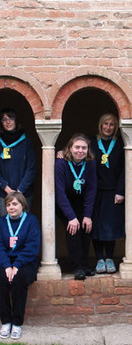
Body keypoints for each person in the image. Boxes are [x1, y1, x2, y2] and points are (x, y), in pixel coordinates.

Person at [0, 191, 40, 340]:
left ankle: (17, 323)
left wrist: (17, 265)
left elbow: (32, 246)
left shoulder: (31, 221)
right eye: (8, 204)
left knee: (19, 280)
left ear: (22, 205)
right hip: (6, 262)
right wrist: (7, 266)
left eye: (14, 204)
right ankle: (6, 322)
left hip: (25, 262)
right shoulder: (1, 222)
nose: (11, 207)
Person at [55, 133, 97, 280]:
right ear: (70, 148)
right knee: (73, 229)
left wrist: (87, 215)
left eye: (84, 148)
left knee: (86, 228)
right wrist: (71, 217)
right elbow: (59, 193)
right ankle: (77, 266)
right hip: (65, 202)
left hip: (81, 201)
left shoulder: (90, 163)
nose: (80, 151)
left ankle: (85, 265)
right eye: (77, 147)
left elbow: (91, 190)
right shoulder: (61, 163)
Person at [90, 114, 125, 274]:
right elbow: (77, 150)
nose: (108, 127)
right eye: (105, 124)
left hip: (113, 192)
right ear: (100, 125)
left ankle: (109, 258)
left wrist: (120, 191)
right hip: (95, 191)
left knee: (110, 226)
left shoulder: (119, 143)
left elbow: (125, 169)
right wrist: (62, 152)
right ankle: (99, 259)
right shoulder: (91, 142)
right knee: (95, 226)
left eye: (112, 124)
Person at [0, 109, 37, 216]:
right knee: (6, 224)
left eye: (11, 118)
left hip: (24, 193)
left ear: (16, 121)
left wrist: (20, 191)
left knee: (23, 224)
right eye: (4, 119)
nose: (8, 122)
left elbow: (31, 169)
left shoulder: (26, 143)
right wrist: (7, 189)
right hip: (4, 194)